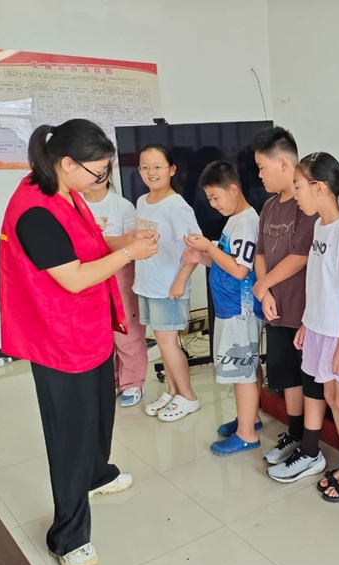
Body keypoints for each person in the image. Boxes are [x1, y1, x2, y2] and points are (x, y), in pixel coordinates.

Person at [0, 119, 158, 565]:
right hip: (59, 340)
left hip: (88, 328)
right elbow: (72, 276)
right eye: (98, 171)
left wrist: (123, 241)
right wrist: (127, 255)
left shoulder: (66, 191)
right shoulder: (35, 211)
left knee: (100, 412)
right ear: (67, 163)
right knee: (69, 434)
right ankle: (67, 536)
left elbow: (86, 244)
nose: (102, 179)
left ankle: (96, 473)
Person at [273, 151, 339, 499]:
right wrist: (307, 323)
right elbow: (318, 285)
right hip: (321, 327)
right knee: (331, 397)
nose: (295, 194)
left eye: (298, 187)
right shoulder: (320, 226)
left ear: (319, 188)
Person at [249, 127, 325, 470]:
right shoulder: (268, 206)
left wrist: (262, 285)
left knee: (309, 379)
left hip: (303, 310)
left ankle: (310, 446)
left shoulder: (305, 203)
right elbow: (261, 252)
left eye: (262, 167)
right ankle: (294, 434)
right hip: (275, 308)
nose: (259, 175)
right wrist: (265, 291)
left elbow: (300, 256)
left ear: (283, 164)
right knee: (288, 377)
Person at [182, 161, 265, 456]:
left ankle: (246, 435)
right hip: (231, 306)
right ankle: (250, 418)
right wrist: (202, 255)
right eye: (209, 199)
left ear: (233, 189)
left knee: (241, 371)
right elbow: (225, 264)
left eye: (216, 197)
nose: (213, 204)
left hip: (240, 309)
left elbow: (240, 270)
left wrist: (208, 247)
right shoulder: (235, 219)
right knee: (248, 366)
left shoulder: (246, 222)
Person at [133, 143, 203, 422]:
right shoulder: (142, 201)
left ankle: (189, 397)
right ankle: (173, 391)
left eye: (157, 167)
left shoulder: (177, 206)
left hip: (168, 287)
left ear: (172, 170)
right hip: (147, 284)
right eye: (145, 167)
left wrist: (180, 281)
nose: (151, 172)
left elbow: (196, 250)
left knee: (168, 342)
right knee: (162, 343)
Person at [83, 166, 148, 408]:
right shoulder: (75, 204)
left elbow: (133, 246)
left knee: (126, 329)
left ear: (109, 174)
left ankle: (133, 382)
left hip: (120, 273)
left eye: (101, 173)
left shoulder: (122, 206)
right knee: (98, 331)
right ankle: (111, 380)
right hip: (88, 274)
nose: (95, 179)